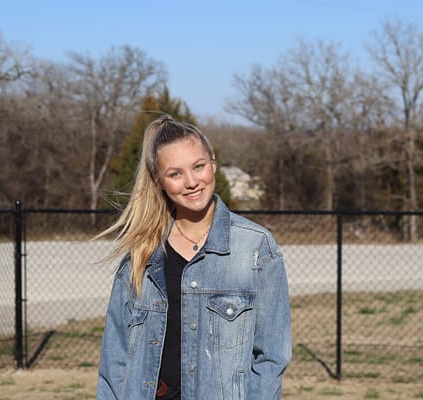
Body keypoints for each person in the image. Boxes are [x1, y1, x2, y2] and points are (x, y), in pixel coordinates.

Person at [96, 116, 291, 399]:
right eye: (175, 174)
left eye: (198, 167)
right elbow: (115, 358)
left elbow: (271, 357)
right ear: (159, 181)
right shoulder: (142, 252)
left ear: (213, 163)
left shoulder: (256, 247)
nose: (191, 182)